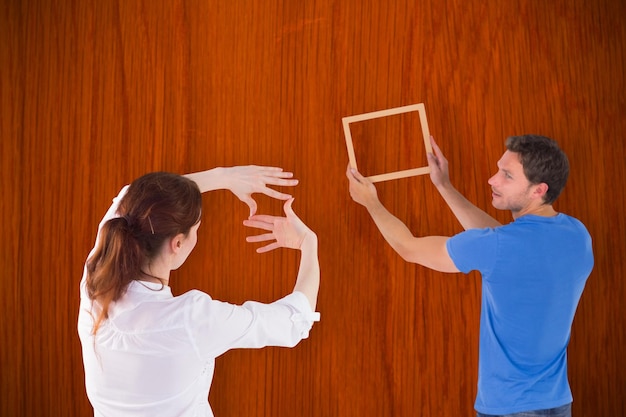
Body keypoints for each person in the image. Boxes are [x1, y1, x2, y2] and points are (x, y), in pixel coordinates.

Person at [346, 135, 593, 417]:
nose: (493, 179)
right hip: (557, 403)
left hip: (508, 409)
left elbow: (408, 248)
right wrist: (444, 186)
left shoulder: (499, 247)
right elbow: (500, 241)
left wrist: (370, 203)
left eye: (507, 175)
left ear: (539, 190)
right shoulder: (577, 235)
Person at [78, 165, 320, 417]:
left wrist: (223, 177)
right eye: (197, 229)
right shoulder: (190, 319)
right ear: (178, 243)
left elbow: (129, 201)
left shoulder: (94, 284)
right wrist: (308, 242)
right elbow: (294, 320)